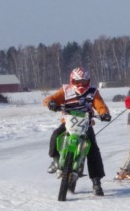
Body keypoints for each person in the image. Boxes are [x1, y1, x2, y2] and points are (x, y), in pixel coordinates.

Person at [43, 67, 111, 196]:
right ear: (72, 81)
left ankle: (96, 182)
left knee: (93, 150)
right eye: (78, 82)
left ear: (88, 81)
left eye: (84, 82)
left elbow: (100, 106)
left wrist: (104, 114)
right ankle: (55, 160)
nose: (81, 84)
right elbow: (49, 99)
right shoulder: (65, 90)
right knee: (55, 135)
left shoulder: (93, 92)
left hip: (86, 124)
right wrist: (51, 103)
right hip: (68, 122)